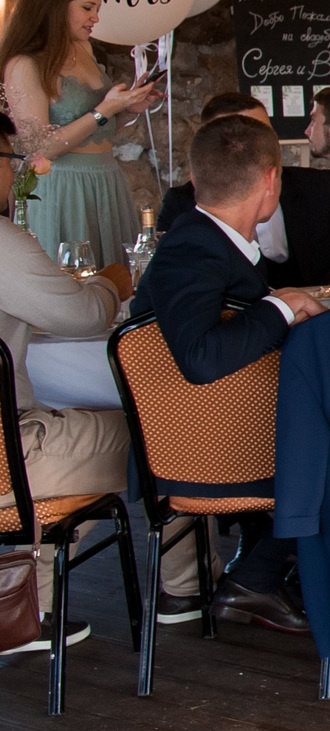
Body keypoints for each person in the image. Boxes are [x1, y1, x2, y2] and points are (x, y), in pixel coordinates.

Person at [126, 111, 330, 632]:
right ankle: (255, 579)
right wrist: (282, 306)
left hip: (232, 434)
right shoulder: (192, 248)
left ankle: (276, 569)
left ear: (196, 179)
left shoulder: (215, 241)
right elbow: (200, 358)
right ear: (271, 179)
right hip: (207, 448)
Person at [0, 119, 200, 647]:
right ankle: (187, 588)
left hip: (14, 456)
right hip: (10, 460)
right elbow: (82, 317)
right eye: (8, 159)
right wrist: (112, 283)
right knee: (164, 432)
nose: (14, 172)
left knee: (81, 435)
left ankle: (27, 609)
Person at [0, 0, 160, 270]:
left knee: (116, 278)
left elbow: (98, 129)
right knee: (75, 277)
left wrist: (128, 109)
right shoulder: (25, 63)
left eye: (97, 9)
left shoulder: (84, 49)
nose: (95, 18)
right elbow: (39, 148)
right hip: (63, 186)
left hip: (106, 179)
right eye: (87, 8)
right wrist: (104, 110)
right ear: (54, 6)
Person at [159, 92, 330, 291]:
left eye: (263, 134)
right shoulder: (183, 205)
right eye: (237, 141)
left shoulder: (319, 187)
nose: (256, 148)